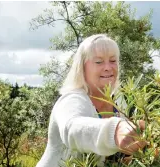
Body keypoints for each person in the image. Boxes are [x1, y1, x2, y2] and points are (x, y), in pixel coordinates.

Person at [36, 34, 146, 167]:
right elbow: (72, 129)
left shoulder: (119, 101)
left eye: (113, 61)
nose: (107, 67)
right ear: (82, 67)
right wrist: (114, 132)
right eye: (98, 62)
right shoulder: (71, 100)